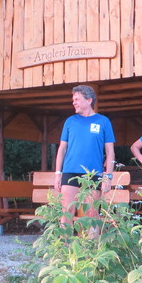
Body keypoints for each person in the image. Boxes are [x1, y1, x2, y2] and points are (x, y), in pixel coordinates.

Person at [53, 85, 116, 226]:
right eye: (73, 100)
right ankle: (64, 240)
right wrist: (58, 173)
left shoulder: (103, 121)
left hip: (93, 173)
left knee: (92, 214)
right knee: (67, 212)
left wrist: (108, 176)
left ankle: (93, 241)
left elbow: (110, 151)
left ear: (89, 100)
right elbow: (62, 148)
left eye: (77, 99)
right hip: (70, 172)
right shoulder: (70, 121)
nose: (73, 103)